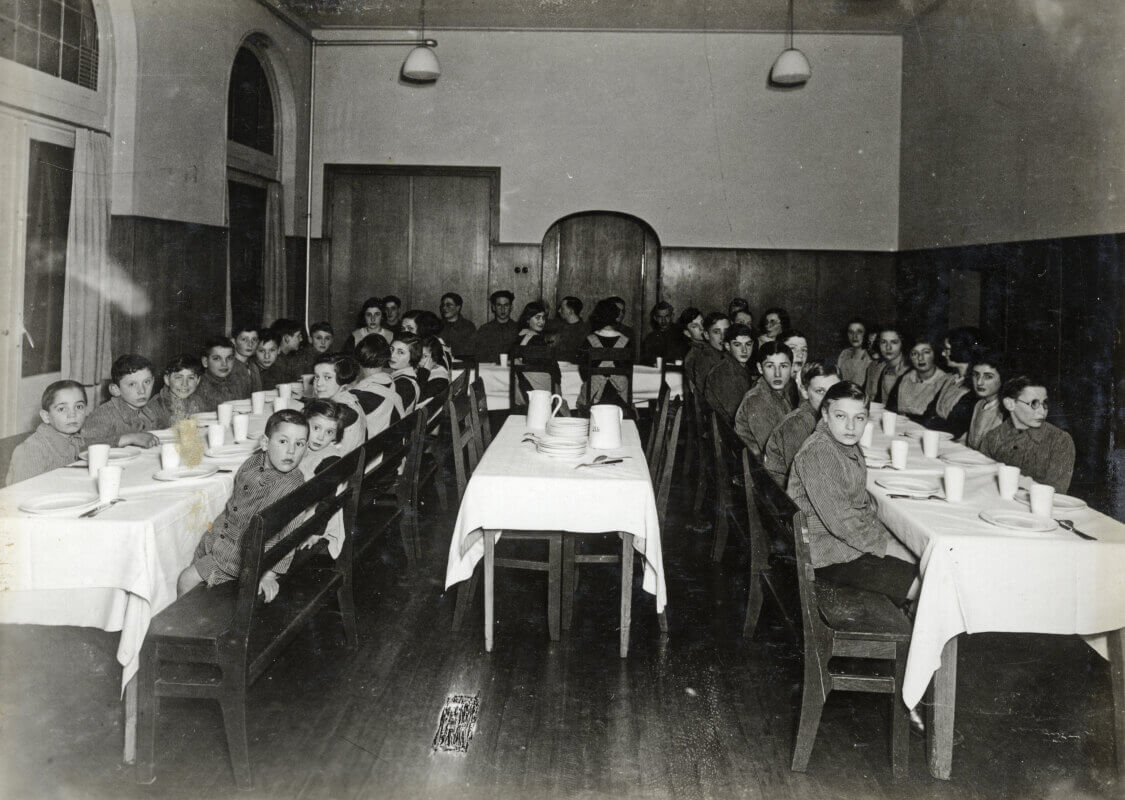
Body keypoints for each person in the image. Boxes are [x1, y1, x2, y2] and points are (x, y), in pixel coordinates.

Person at [787, 381, 917, 606]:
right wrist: (887, 546)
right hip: (825, 555)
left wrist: (887, 540)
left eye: (859, 418)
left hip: (838, 545)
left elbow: (858, 507)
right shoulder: (820, 451)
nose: (850, 426)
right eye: (840, 416)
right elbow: (842, 522)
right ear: (825, 415)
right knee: (924, 581)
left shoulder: (842, 444)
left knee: (916, 559)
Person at [177, 409, 309, 601]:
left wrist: (270, 574)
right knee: (193, 569)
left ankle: (184, 626)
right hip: (219, 541)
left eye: (299, 444)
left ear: (306, 449)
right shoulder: (253, 462)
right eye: (283, 441)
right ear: (265, 443)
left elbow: (290, 535)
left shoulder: (293, 487)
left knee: (186, 580)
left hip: (241, 559)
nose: (291, 451)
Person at [978, 376, 1075, 492]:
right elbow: (981, 480)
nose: (1042, 411)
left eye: (1045, 403)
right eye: (1034, 403)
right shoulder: (992, 438)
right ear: (1010, 404)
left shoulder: (1060, 441)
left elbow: (1055, 492)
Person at [763, 361, 841, 487]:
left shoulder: (821, 418)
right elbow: (809, 478)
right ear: (804, 391)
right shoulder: (798, 424)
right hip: (784, 497)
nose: (828, 399)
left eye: (834, 391)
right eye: (820, 391)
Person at [5, 380, 88, 485]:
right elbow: (23, 496)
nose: (72, 415)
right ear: (46, 416)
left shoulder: (76, 439)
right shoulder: (31, 451)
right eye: (62, 409)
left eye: (79, 407)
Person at [82, 354, 162, 447]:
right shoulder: (104, 415)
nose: (142, 391)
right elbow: (83, 445)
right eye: (132, 384)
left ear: (153, 381)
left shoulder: (150, 411)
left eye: (146, 382)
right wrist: (130, 438)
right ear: (115, 390)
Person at [734, 341, 794, 456]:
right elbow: (776, 451)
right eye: (770, 366)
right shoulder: (757, 400)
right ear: (760, 369)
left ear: (792, 367)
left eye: (783, 366)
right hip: (762, 468)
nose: (777, 373)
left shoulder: (780, 391)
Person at [577, 297, 631, 410]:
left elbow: (583, 371)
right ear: (616, 316)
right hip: (619, 396)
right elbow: (628, 369)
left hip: (593, 395)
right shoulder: (626, 341)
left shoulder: (589, 340)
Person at [349, 334, 405, 437]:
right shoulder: (392, 383)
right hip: (386, 445)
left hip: (370, 449)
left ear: (359, 357)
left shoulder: (358, 396)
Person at [311, 353, 367, 454]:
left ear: (342, 379)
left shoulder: (340, 411)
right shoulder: (346, 398)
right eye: (316, 377)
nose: (318, 383)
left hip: (339, 464)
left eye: (327, 377)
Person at [703, 323, 756, 427]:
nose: (744, 350)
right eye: (737, 345)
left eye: (748, 344)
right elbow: (738, 416)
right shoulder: (723, 373)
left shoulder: (738, 366)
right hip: (727, 434)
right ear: (727, 346)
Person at [886, 337, 954, 416]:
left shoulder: (945, 382)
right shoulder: (904, 379)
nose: (920, 358)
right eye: (914, 353)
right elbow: (890, 410)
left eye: (926, 352)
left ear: (935, 354)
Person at [511, 301, 561, 402]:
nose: (541, 321)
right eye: (537, 317)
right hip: (541, 393)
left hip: (521, 392)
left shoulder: (518, 338)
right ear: (528, 319)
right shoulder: (538, 340)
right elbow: (554, 369)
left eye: (543, 318)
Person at [149, 353, 207, 427]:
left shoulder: (198, 401)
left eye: (191, 378)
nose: (185, 384)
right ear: (167, 379)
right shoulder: (155, 406)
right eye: (178, 377)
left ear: (198, 381)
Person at [194, 335, 251, 410]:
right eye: (217, 358)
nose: (224, 364)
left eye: (229, 358)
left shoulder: (238, 381)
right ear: (205, 362)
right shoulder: (199, 388)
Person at [964, 351, 1005, 449]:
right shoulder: (979, 404)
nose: (979, 382)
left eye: (988, 377)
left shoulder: (1005, 411)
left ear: (1003, 379)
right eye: (976, 375)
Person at [687, 312, 728, 402]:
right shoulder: (705, 359)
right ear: (706, 335)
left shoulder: (719, 355)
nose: (723, 337)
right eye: (716, 332)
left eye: (726, 331)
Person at [864, 326, 909, 404]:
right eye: (883, 342)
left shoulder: (910, 370)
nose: (888, 347)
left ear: (902, 343)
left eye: (894, 342)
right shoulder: (884, 367)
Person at [473, 290, 519, 364]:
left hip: (513, 372)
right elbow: (479, 357)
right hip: (490, 372)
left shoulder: (518, 329)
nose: (502, 309)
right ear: (493, 307)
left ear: (511, 307)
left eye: (506, 305)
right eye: (499, 305)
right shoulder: (484, 329)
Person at [641, 301, 688, 365]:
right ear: (655, 318)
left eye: (667, 316)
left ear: (672, 316)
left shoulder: (681, 334)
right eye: (660, 317)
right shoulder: (650, 339)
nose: (663, 321)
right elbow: (645, 362)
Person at [389, 332, 423, 414]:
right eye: (391, 349)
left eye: (400, 352)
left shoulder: (404, 385)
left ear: (413, 356)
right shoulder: (406, 377)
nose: (392, 355)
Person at [273, 318, 314, 382]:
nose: (301, 339)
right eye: (298, 336)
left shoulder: (288, 357)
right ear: (287, 338)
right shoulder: (275, 359)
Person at [547, 296, 586, 362]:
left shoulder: (583, 330)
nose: (559, 311)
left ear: (571, 311)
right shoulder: (559, 323)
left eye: (562, 308)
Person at [439, 292, 476, 357]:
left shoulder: (468, 326)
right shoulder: (436, 325)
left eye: (448, 305)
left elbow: (471, 351)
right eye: (443, 305)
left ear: (458, 308)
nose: (444, 308)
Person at [837, 318, 870, 387]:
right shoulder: (844, 354)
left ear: (866, 334)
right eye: (851, 332)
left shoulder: (870, 358)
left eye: (859, 332)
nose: (854, 336)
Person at [230, 323, 262, 393]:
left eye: (254, 339)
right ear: (233, 342)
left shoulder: (254, 367)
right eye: (244, 339)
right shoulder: (229, 367)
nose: (250, 344)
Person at [418, 334, 452, 402]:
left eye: (424, 356)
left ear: (435, 357)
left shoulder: (439, 380)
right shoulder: (436, 368)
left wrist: (424, 372)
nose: (418, 359)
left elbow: (417, 398)